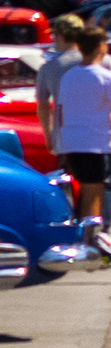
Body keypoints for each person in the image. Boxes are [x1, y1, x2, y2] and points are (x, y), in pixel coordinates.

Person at [51, 24, 111, 228]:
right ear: (99, 47)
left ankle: (83, 234)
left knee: (82, 190)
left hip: (71, 141)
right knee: (94, 190)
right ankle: (90, 238)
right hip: (94, 142)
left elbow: (60, 110)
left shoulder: (69, 76)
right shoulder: (104, 77)